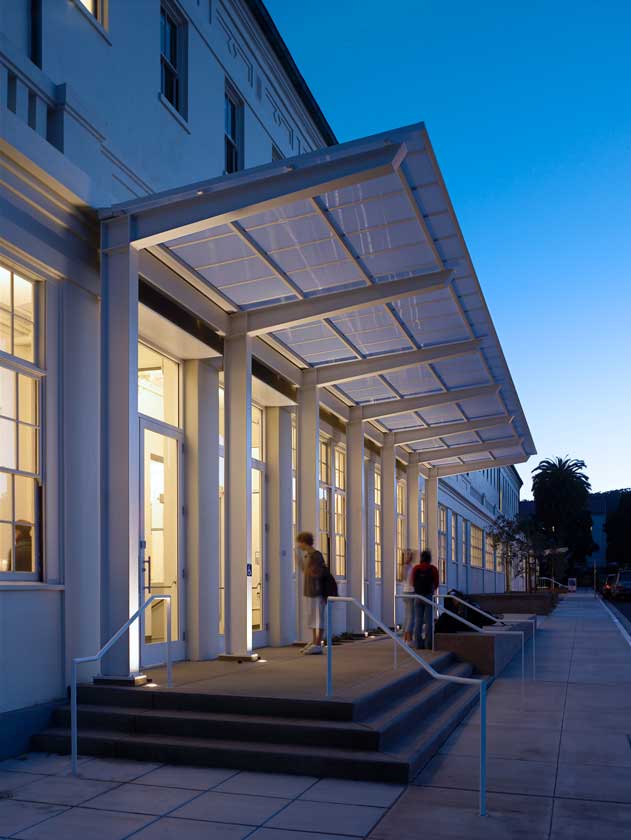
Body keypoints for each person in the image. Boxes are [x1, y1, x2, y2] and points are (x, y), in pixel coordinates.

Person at [295, 531, 325, 655]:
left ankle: (318, 643)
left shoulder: (316, 555)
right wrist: (297, 557)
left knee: (319, 618)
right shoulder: (307, 555)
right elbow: (304, 570)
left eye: (299, 543)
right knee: (312, 617)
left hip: (317, 591)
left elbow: (317, 573)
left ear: (304, 542)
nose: (298, 545)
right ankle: (314, 641)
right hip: (310, 591)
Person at [411, 549, 439, 650]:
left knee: (418, 620)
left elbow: (412, 582)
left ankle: (418, 644)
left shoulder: (416, 568)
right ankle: (428, 644)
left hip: (417, 597)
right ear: (429, 559)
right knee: (429, 621)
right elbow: (436, 583)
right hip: (428, 596)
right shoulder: (433, 569)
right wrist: (431, 591)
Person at [401, 549, 417, 644]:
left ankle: (406, 637)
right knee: (411, 616)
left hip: (407, 592)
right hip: (409, 592)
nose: (410, 557)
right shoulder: (406, 567)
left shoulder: (409, 566)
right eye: (409, 555)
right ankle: (408, 637)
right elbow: (405, 578)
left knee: (408, 615)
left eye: (411, 555)